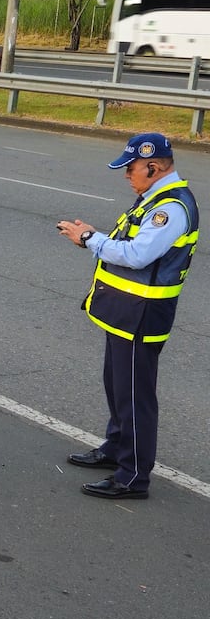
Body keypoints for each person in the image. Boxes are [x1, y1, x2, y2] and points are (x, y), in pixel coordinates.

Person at [56, 133, 199, 500]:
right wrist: (91, 239)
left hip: (142, 316)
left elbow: (137, 255)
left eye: (131, 168)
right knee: (118, 386)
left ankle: (133, 476)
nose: (126, 175)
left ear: (153, 166)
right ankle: (116, 447)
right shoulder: (153, 199)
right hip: (125, 312)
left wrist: (90, 237)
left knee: (135, 396)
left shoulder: (171, 208)